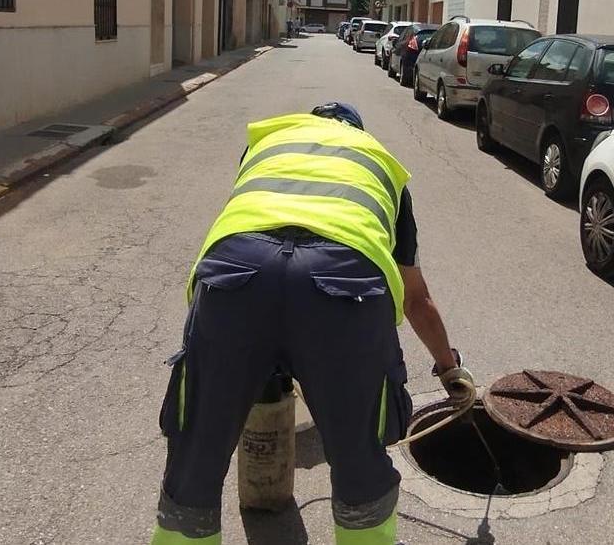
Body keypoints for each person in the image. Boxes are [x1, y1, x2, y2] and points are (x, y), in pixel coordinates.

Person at [150, 102, 472, 545]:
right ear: (356, 132)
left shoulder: (268, 144)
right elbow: (417, 300)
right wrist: (448, 366)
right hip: (345, 289)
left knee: (194, 461)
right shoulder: (377, 163)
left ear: (310, 124)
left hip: (235, 277)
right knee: (360, 465)